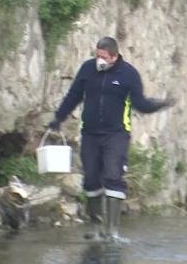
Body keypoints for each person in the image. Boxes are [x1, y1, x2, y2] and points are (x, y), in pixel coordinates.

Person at [49, 36, 175, 241]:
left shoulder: (128, 74)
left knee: (112, 176)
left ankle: (113, 231)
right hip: (89, 133)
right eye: (97, 55)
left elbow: (140, 104)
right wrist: (58, 118)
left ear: (114, 57)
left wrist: (160, 104)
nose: (99, 60)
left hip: (117, 134)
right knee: (90, 178)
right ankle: (95, 226)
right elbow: (74, 96)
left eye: (103, 57)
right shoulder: (87, 69)